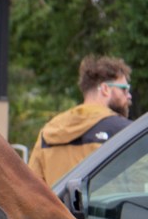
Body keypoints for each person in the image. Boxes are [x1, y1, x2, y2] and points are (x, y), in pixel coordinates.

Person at [28, 55, 133, 186]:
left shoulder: (49, 131)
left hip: (56, 206)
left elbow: (31, 187)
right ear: (105, 89)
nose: (129, 95)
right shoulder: (125, 132)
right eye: (124, 89)